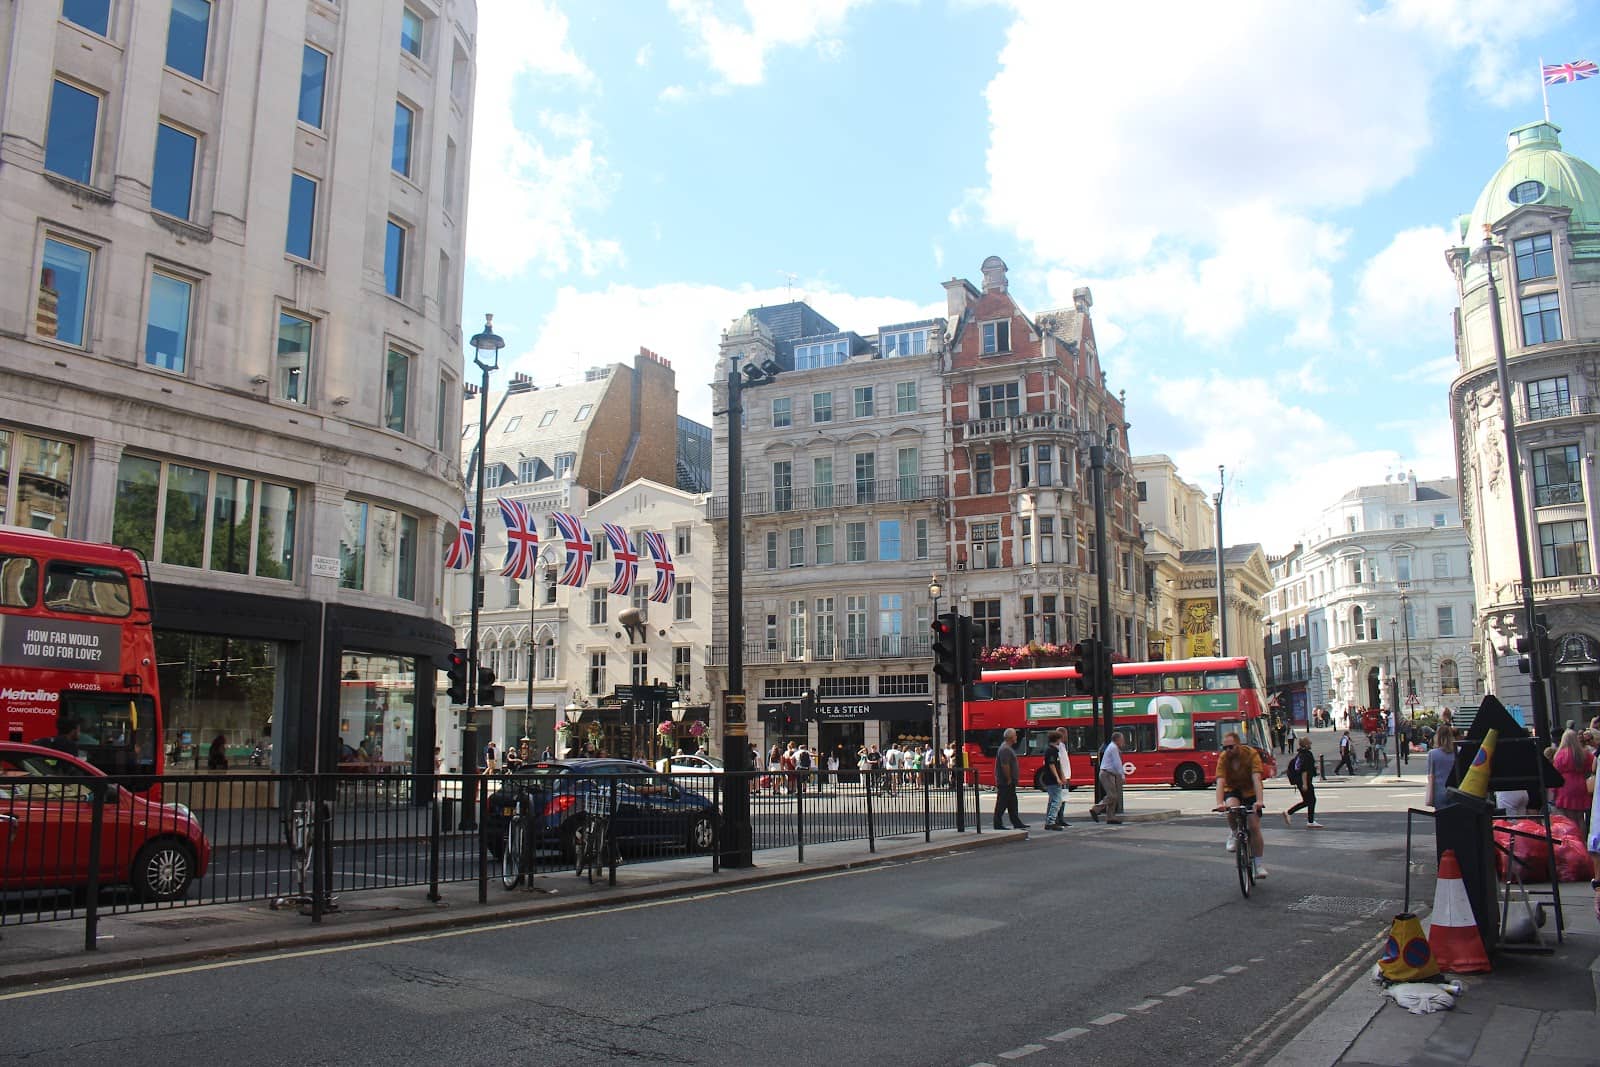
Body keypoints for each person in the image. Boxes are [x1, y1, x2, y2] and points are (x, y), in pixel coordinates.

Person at [1214, 730, 1268, 878]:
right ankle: (1233, 832)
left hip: (1250, 790)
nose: (1227, 751)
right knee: (1231, 807)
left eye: (1230, 747)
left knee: (1254, 827)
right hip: (1232, 789)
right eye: (1224, 748)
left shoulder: (1251, 754)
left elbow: (1257, 779)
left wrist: (1259, 801)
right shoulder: (1223, 758)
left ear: (1238, 745)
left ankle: (1258, 865)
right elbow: (1220, 782)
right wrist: (1219, 803)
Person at [1550, 728, 1595, 826]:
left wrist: (1553, 791)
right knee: (1580, 817)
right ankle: (1583, 840)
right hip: (1581, 784)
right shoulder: (1584, 753)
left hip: (1565, 786)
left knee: (1570, 819)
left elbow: (1555, 774)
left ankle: (1574, 840)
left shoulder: (1560, 754)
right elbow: (1593, 765)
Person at [1282, 736, 1323, 828]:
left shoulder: (1300, 754)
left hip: (1299, 781)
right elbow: (1304, 771)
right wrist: (1305, 784)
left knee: (1307, 801)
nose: (1311, 743)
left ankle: (1290, 813)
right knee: (1311, 800)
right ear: (1306, 744)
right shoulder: (1307, 754)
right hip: (1305, 782)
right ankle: (1309, 821)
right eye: (1309, 742)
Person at [992, 728, 1027, 830]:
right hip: (1005, 781)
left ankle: (1016, 822)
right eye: (1015, 735)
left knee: (1012, 803)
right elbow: (1005, 765)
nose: (1016, 737)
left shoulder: (1007, 748)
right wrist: (1009, 778)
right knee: (1002, 803)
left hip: (1009, 781)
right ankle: (997, 824)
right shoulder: (1005, 749)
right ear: (1011, 737)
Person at [1088, 731, 1126, 824]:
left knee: (1114, 796)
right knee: (1112, 796)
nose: (1123, 742)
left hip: (1109, 774)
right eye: (1122, 739)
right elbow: (1117, 763)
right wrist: (1122, 775)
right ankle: (1096, 809)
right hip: (1107, 774)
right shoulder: (1113, 748)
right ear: (1117, 739)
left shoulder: (1113, 747)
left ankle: (1110, 817)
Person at [1042, 727, 1071, 830]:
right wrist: (1058, 778)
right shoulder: (1052, 751)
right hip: (1052, 779)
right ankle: (1051, 821)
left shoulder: (1054, 750)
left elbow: (1058, 765)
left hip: (1054, 778)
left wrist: (1062, 776)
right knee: (1057, 801)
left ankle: (1050, 820)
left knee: (1053, 800)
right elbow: (1052, 765)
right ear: (1057, 739)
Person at [1426, 725, 1457, 810]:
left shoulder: (1432, 753)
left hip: (1439, 792)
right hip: (1456, 792)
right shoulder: (1458, 751)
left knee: (1441, 819)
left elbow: (1430, 775)